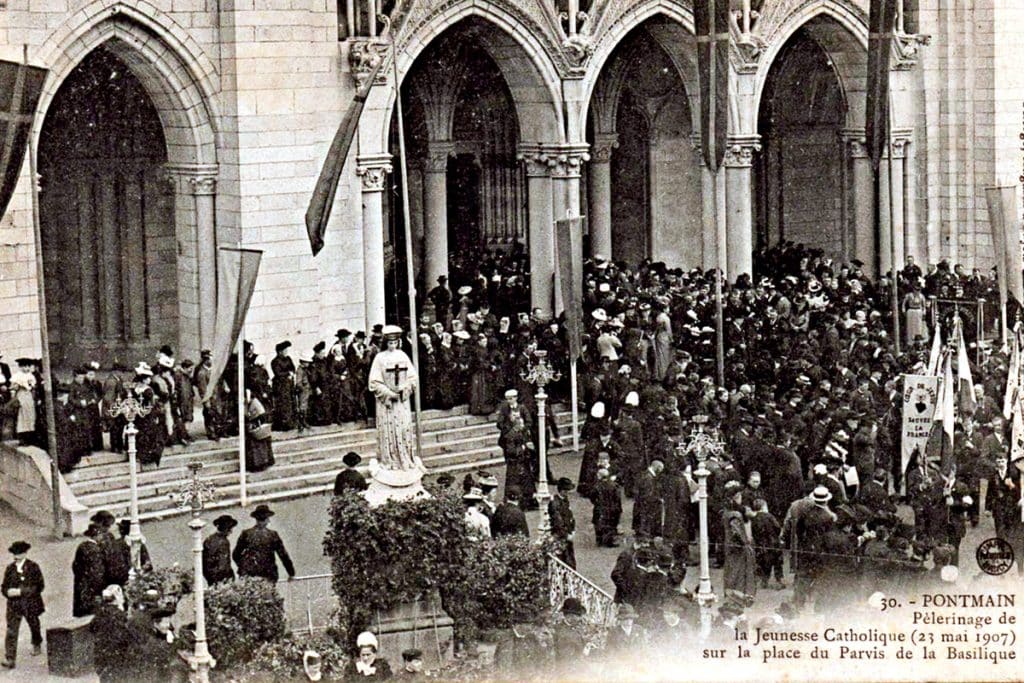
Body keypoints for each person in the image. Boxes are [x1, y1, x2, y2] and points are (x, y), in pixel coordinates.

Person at [367, 325, 419, 472]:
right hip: (387, 402)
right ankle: (389, 459)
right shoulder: (379, 358)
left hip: (402, 401)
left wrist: (404, 389)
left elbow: (412, 377)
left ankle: (405, 458)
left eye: (395, 343)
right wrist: (388, 393)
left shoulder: (402, 356)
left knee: (403, 428)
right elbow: (374, 382)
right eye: (390, 343)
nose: (392, 346)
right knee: (387, 429)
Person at [2, 542, 44, 669]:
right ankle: (10, 658)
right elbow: (4, 587)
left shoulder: (33, 567)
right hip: (14, 604)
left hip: (30, 603)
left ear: (25, 553)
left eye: (19, 553)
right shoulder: (10, 569)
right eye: (15, 553)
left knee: (34, 624)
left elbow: (39, 586)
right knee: (11, 630)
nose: (17, 556)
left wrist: (21, 591)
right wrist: (7, 592)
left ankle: (37, 642)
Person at [233, 504, 296, 582]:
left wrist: (244, 567)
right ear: (267, 519)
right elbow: (283, 556)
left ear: (256, 519)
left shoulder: (246, 534)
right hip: (267, 575)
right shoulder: (273, 535)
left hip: (249, 576)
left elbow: (235, 554)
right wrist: (291, 573)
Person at [72, 524, 107, 617]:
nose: (102, 537)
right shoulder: (95, 550)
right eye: (101, 535)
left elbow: (75, 565)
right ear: (96, 535)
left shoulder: (82, 546)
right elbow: (97, 572)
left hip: (81, 584)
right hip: (91, 588)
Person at [245, 389, 276, 472]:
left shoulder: (254, 402)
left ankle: (259, 463)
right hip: (255, 424)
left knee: (257, 445)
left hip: (257, 425)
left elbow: (261, 414)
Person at [549, 478, 577, 568]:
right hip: (561, 535)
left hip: (567, 533)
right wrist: (566, 535)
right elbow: (558, 522)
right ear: (562, 491)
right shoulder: (555, 503)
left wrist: (572, 529)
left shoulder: (564, 500)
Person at [203, 515, 238, 585]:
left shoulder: (209, 540)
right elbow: (223, 565)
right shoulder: (223, 542)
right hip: (222, 579)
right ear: (226, 529)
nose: (231, 531)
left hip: (210, 577)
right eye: (230, 529)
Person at [271, 340, 297, 431]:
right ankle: (283, 424)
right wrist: (288, 374)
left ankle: (291, 422)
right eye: (285, 351)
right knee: (283, 405)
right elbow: (278, 373)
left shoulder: (288, 359)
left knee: (291, 403)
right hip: (281, 386)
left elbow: (293, 368)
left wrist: (291, 373)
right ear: (279, 352)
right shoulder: (275, 361)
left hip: (289, 384)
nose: (286, 352)